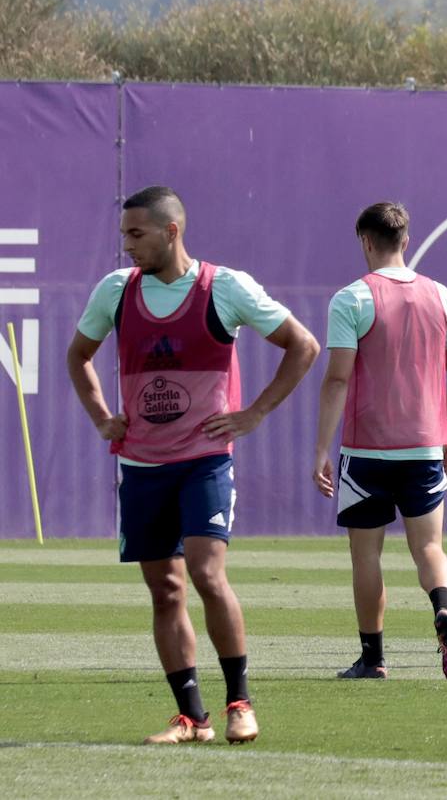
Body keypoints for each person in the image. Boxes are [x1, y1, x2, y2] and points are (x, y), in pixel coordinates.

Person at [66, 185, 319, 745]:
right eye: (123, 234)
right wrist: (103, 418)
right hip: (142, 466)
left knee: (206, 573)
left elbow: (303, 345)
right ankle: (191, 718)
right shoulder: (115, 290)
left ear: (171, 231)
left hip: (204, 461)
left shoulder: (223, 287)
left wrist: (253, 413)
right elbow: (77, 357)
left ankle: (240, 704)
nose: (126, 245)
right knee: (166, 592)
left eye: (136, 234)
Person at [312, 202, 447, 682]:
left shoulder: (351, 299)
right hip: (424, 446)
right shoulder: (441, 296)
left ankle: (373, 657)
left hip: (366, 452)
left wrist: (322, 448)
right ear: (406, 240)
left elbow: (337, 379)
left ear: (365, 241)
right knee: (429, 549)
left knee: (367, 555)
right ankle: (443, 612)